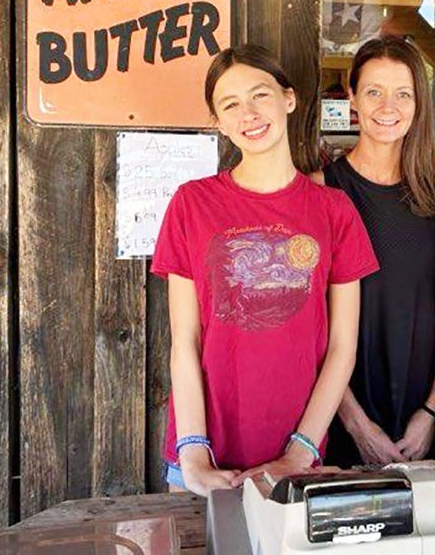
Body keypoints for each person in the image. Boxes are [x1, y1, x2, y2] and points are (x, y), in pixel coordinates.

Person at [151, 45, 378, 496]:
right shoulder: (191, 204)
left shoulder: (333, 211)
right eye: (230, 105)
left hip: (298, 455)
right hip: (200, 458)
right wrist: (193, 452)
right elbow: (185, 341)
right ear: (218, 122)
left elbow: (342, 348)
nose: (248, 114)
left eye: (260, 95)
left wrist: (301, 449)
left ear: (289, 99)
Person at [318, 36, 435, 467]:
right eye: (374, 92)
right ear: (351, 96)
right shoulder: (321, 189)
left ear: (418, 102)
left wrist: (431, 412)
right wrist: (352, 421)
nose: (388, 107)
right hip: (337, 410)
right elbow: (308, 322)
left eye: (402, 94)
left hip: (422, 411)